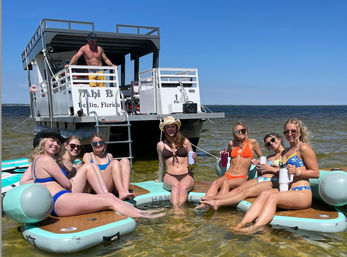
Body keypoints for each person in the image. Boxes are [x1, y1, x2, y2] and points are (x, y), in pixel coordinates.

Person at [23, 128, 164, 218]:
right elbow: (65, 183)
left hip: (57, 201)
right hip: (59, 199)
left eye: (58, 142)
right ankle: (144, 215)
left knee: (108, 197)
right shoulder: (46, 160)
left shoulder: (38, 160)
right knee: (108, 199)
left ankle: (140, 213)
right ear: (43, 142)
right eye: (52, 141)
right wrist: (72, 176)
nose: (56, 144)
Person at [231, 118, 319, 233]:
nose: (290, 134)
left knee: (273, 197)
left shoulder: (303, 148)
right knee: (264, 194)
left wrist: (298, 172)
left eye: (293, 131)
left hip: (302, 192)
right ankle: (241, 224)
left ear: (300, 131)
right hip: (288, 190)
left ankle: (255, 228)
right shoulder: (287, 151)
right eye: (286, 132)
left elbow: (316, 173)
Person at [200, 133, 285, 209]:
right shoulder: (269, 157)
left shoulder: (286, 154)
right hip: (260, 179)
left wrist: (270, 169)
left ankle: (217, 202)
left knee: (245, 193)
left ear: (279, 139)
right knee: (237, 190)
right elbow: (262, 172)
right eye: (268, 144)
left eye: (273, 140)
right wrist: (259, 168)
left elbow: (286, 172)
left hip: (273, 181)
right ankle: (212, 199)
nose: (271, 144)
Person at [195, 121, 262, 209]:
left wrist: (257, 161)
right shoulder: (231, 144)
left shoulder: (252, 143)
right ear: (234, 133)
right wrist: (223, 153)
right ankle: (204, 204)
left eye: (243, 130)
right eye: (238, 131)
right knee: (216, 182)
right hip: (228, 174)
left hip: (241, 177)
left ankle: (216, 203)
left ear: (246, 131)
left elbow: (261, 157)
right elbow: (229, 155)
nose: (241, 133)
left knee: (226, 183)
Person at [20, 134, 108, 195]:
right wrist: (50, 182)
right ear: (66, 146)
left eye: (79, 147)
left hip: (70, 191)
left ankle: (106, 195)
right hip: (62, 193)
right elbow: (23, 182)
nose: (76, 148)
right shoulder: (46, 160)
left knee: (92, 166)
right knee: (89, 167)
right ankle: (106, 197)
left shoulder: (61, 160)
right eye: (73, 146)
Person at [156, 116, 197, 208]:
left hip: (186, 174)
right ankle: (176, 211)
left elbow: (192, 164)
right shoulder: (160, 145)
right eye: (168, 127)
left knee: (183, 187)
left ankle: (181, 212)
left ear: (176, 128)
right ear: (164, 129)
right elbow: (161, 165)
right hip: (170, 176)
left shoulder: (185, 142)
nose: (170, 129)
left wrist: (194, 159)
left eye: (172, 127)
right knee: (175, 185)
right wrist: (159, 180)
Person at [82, 133, 135, 200]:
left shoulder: (109, 156)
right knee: (115, 162)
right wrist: (105, 172)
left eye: (100, 142)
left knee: (125, 160)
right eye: (95, 143)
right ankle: (121, 193)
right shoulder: (88, 156)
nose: (98, 145)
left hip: (112, 187)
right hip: (99, 188)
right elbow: (87, 174)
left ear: (104, 144)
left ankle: (125, 191)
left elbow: (115, 172)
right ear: (92, 145)